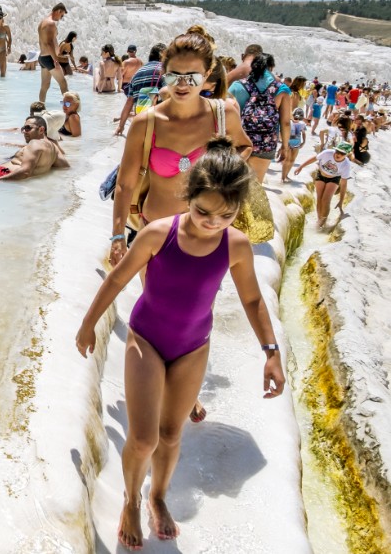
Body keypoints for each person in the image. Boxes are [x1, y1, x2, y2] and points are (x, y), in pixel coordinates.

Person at [77, 136, 285, 550]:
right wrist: (88, 324)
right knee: (143, 439)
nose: (212, 222)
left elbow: (252, 300)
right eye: (203, 211)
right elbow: (118, 279)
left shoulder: (236, 246)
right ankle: (131, 500)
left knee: (171, 435)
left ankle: (157, 496)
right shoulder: (158, 233)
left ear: (238, 211)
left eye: (225, 215)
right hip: (147, 340)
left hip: (193, 347)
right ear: (188, 197)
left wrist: (271, 353)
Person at [112, 26, 252, 267]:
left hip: (208, 237)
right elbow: (125, 184)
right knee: (154, 303)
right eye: (174, 75)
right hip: (155, 234)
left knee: (198, 306)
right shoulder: (146, 123)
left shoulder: (223, 114)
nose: (182, 84)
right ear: (164, 73)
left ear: (207, 74)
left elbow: (244, 147)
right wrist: (117, 236)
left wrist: (225, 173)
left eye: (192, 77)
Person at [228, 54, 291, 182]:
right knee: (256, 185)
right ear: (271, 68)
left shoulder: (237, 85)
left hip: (238, 142)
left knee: (234, 185)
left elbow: (226, 114)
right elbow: (285, 123)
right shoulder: (282, 89)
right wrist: (284, 147)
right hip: (266, 143)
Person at [295, 142, 353, 227]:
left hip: (334, 178)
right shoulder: (327, 153)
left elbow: (344, 184)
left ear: (347, 154)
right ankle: (320, 220)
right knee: (319, 199)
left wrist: (341, 201)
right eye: (337, 151)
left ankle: (323, 222)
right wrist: (301, 166)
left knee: (326, 200)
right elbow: (314, 158)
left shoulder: (346, 165)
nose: (338, 154)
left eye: (342, 153)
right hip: (321, 175)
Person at [115, 43, 167, 136]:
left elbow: (129, 102)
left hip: (141, 123)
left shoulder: (137, 74)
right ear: (163, 56)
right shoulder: (164, 70)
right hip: (161, 124)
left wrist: (121, 126)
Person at [37, 3, 70, 101]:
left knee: (45, 86)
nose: (61, 18)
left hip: (43, 57)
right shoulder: (50, 23)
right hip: (50, 58)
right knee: (63, 83)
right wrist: (56, 60)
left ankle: (40, 108)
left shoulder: (42, 22)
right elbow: (49, 43)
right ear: (58, 11)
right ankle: (68, 109)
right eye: (62, 15)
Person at [282, 108, 307, 183]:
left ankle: (285, 175)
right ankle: (283, 177)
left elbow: (303, 133)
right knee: (287, 160)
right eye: (296, 117)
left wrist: (304, 142)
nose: (296, 118)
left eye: (298, 117)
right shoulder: (289, 122)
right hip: (289, 143)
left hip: (296, 143)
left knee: (291, 160)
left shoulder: (302, 124)